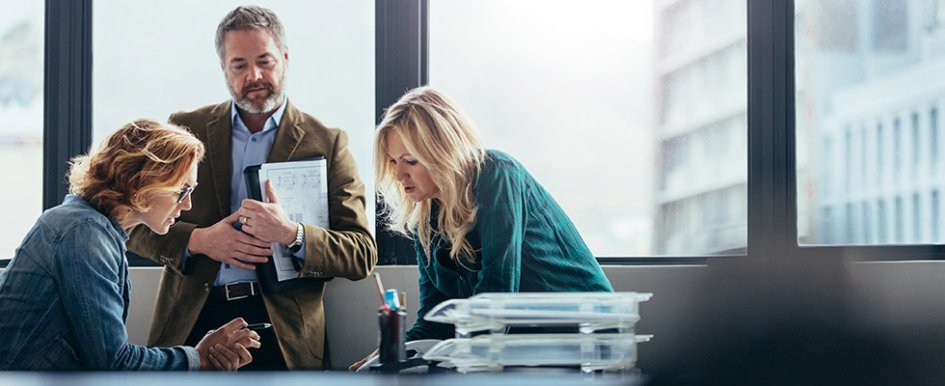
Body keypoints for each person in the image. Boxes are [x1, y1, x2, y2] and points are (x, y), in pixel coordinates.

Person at [127, 5, 376, 370]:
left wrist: (292, 233)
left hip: (284, 333)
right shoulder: (184, 129)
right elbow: (131, 223)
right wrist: (199, 240)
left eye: (265, 61)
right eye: (239, 65)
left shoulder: (327, 142)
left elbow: (361, 254)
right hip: (194, 320)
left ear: (286, 58)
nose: (254, 75)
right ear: (223, 68)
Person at [350, 86, 613, 370]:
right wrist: (389, 355)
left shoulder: (498, 173)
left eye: (410, 161)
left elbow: (497, 293)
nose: (399, 174)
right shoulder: (426, 218)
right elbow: (433, 320)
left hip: (581, 340)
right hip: (518, 349)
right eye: (392, 162)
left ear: (442, 152)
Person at [0, 119, 260, 371]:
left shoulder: (92, 227)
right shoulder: (86, 233)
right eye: (182, 191)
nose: (187, 205)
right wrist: (198, 357)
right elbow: (113, 363)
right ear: (141, 183)